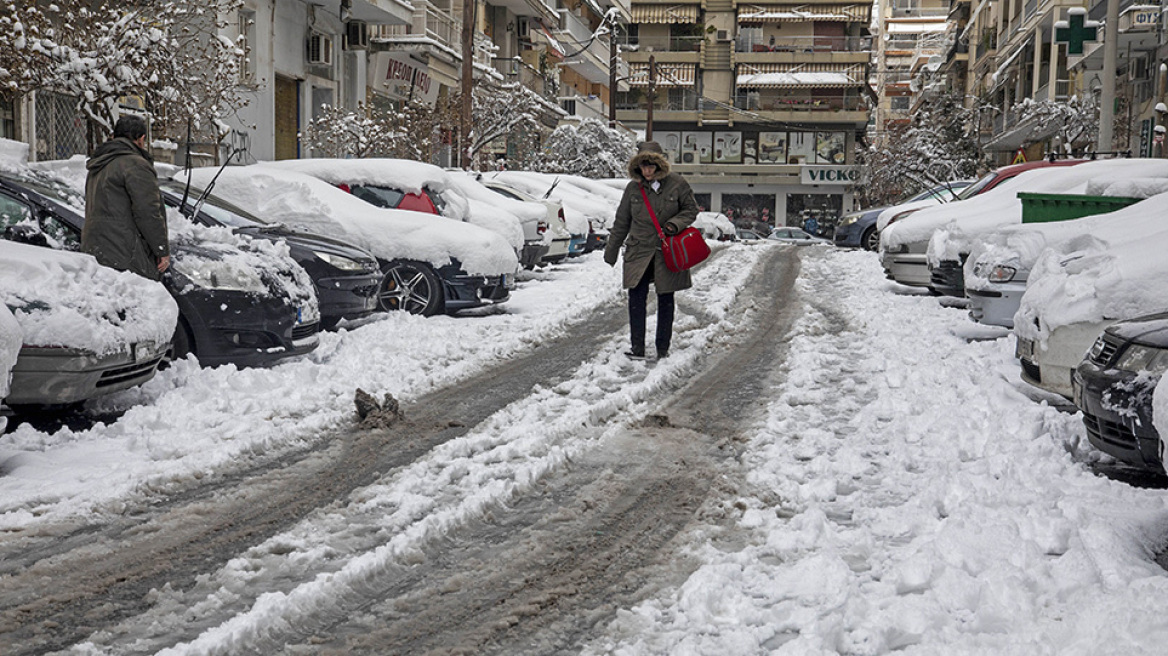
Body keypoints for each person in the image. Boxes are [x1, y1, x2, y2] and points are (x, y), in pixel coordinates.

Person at [604, 141, 698, 360]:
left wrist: (675, 224)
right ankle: (637, 347)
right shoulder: (633, 188)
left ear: (659, 165)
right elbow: (621, 221)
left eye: (651, 166)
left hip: (667, 250)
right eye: (643, 166)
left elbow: (691, 210)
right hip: (639, 251)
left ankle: (662, 347)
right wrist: (612, 250)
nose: (647, 170)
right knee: (636, 297)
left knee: (666, 297)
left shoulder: (677, 184)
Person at [82, 115, 170, 281]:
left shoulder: (99, 164)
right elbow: (147, 212)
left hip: (95, 249)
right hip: (126, 253)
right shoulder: (135, 164)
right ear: (141, 139)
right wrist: (161, 251)